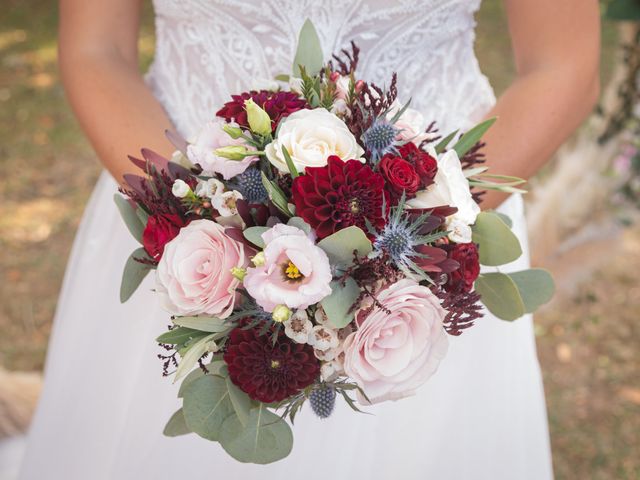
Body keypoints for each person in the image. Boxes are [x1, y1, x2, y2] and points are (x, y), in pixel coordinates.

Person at [19, 1, 600, 478]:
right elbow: (98, 51)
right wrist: (197, 220)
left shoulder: (426, 235)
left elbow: (562, 63)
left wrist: (411, 239)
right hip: (187, 238)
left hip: (434, 236)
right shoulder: (192, 229)